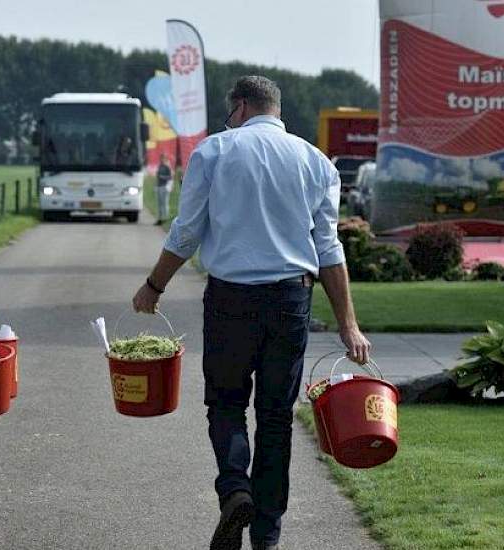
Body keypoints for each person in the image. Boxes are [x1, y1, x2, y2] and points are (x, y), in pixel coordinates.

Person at [132, 76, 371, 550]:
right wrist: (349, 325)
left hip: (231, 299)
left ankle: (235, 490)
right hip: (290, 299)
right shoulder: (316, 162)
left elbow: (187, 232)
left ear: (240, 106)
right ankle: (267, 534)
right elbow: (328, 249)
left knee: (225, 403)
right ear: (275, 110)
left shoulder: (214, 153)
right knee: (277, 416)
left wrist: (154, 286)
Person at [155, 153, 174, 225]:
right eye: (161, 158)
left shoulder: (167, 166)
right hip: (159, 186)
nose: (161, 159)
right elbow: (158, 175)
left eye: (163, 158)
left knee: (165, 203)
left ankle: (165, 218)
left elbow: (170, 177)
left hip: (165, 187)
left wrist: (162, 177)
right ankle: (159, 219)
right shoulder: (160, 166)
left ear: (165, 158)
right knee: (159, 204)